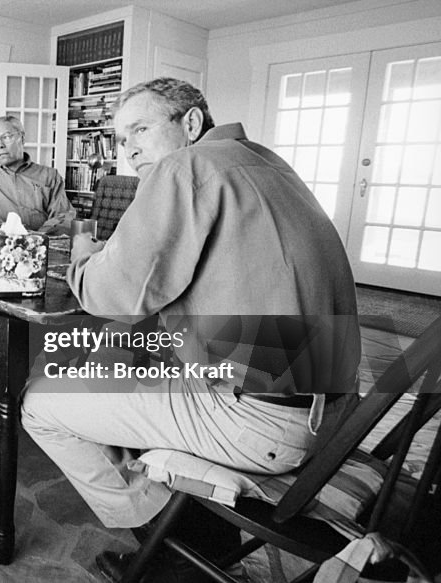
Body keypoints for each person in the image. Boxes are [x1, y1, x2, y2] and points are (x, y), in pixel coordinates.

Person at [20, 78, 361, 580]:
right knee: (118, 352)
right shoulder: (266, 162)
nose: (128, 147)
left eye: (140, 128)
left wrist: (84, 254)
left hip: (264, 423)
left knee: (39, 404)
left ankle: (173, 553)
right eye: (119, 138)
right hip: (333, 412)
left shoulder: (184, 166)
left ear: (192, 123)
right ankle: (197, 524)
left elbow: (116, 296)